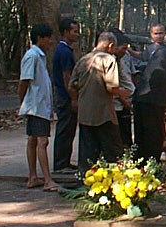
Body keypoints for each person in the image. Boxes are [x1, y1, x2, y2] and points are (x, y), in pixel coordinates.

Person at [69, 31, 130, 173]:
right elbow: (111, 87)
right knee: (112, 152)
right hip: (104, 114)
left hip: (85, 113)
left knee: (87, 152)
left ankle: (85, 179)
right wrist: (125, 93)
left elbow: (72, 85)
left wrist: (77, 99)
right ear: (110, 45)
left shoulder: (84, 60)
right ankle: (114, 179)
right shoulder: (108, 60)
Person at [18, 24, 59, 192]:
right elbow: (24, 81)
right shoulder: (32, 56)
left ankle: (33, 177)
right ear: (40, 38)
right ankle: (47, 180)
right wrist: (23, 102)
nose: (50, 41)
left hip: (39, 105)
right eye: (48, 38)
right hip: (36, 106)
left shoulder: (39, 56)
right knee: (42, 141)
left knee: (33, 139)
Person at [133, 29, 166, 161]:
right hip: (153, 100)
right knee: (154, 134)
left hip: (141, 97)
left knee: (141, 134)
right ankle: (152, 163)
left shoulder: (157, 53)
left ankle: (140, 163)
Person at [52, 17, 80, 173]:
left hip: (65, 95)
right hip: (65, 97)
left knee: (69, 130)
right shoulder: (64, 52)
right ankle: (61, 164)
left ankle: (65, 162)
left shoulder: (66, 50)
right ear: (65, 32)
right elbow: (67, 77)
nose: (77, 34)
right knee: (65, 129)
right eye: (74, 31)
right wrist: (73, 98)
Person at [110, 29, 136, 148]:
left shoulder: (125, 57)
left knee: (126, 133)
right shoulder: (109, 61)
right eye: (123, 48)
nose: (125, 51)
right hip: (115, 103)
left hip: (126, 100)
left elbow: (131, 75)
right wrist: (123, 100)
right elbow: (112, 86)